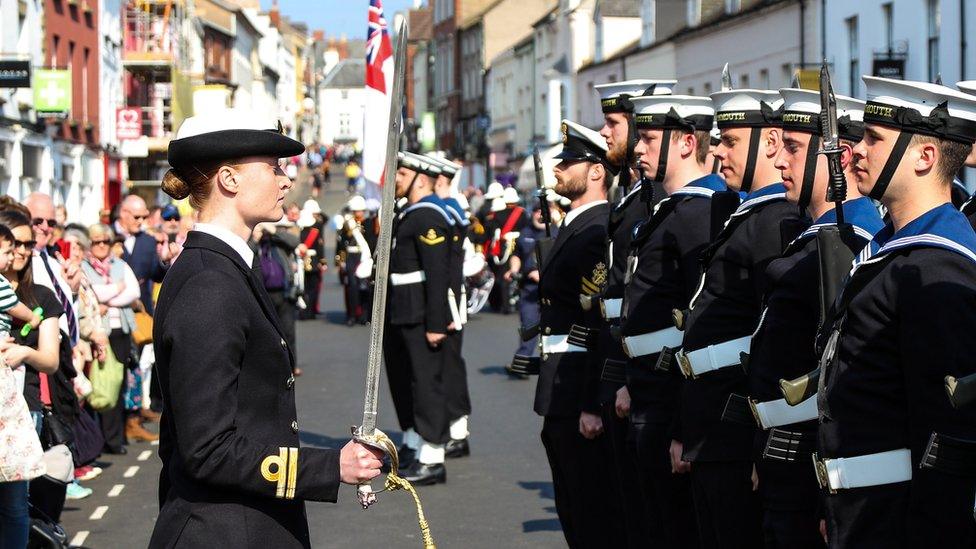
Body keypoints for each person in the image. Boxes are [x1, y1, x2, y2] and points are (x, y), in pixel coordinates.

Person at [148, 110, 383, 548]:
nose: (285, 179)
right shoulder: (209, 284)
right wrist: (332, 467)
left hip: (248, 523)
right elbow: (208, 450)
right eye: (273, 167)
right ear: (229, 180)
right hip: (222, 530)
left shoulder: (224, 269)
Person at [815, 77, 976, 548]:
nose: (856, 151)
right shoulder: (892, 254)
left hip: (898, 523)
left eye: (872, 139)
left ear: (925, 157)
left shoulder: (934, 267)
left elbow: (949, 437)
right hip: (862, 512)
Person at [739, 88, 882, 548]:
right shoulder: (811, 235)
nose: (779, 161)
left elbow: (843, 377)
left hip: (807, 464)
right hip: (780, 454)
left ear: (837, 157)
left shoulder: (853, 239)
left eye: (794, 149)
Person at [677, 86, 807, 548]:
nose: (717, 150)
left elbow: (773, 343)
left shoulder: (774, 221)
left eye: (729, 140)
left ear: (768, 144)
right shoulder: (742, 214)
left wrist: (754, 439)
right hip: (714, 423)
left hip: (735, 429)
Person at [619, 94, 724, 548]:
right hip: (648, 389)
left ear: (685, 143)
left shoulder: (701, 213)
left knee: (675, 529)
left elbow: (700, 325)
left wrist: (684, 426)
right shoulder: (672, 209)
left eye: (647, 138)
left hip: (670, 399)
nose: (637, 149)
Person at [528, 120, 622, 548]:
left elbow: (597, 324)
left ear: (598, 171)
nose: (559, 170)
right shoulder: (575, 225)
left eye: (570, 163)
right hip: (559, 380)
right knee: (572, 502)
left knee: (590, 509)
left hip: (577, 384)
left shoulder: (597, 230)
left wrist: (589, 402)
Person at [592, 78, 676, 547]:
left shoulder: (656, 198)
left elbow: (657, 301)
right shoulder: (629, 193)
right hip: (622, 360)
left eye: (614, 124)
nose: (605, 133)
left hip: (644, 373)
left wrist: (628, 375)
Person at [383, 151, 453, 485]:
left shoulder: (429, 216)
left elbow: (438, 275)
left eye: (400, 175)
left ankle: (433, 456)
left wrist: (437, 324)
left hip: (421, 313)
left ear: (419, 179)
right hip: (401, 311)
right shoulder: (407, 214)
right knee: (404, 380)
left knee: (426, 384)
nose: (394, 180)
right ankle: (413, 442)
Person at [82, 223, 157, 453]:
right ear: (90, 244)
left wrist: (107, 298)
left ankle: (119, 436)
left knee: (123, 383)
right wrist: (116, 289)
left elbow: (133, 291)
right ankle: (107, 440)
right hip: (99, 333)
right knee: (104, 385)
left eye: (106, 241)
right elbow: (93, 292)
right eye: (97, 242)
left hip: (122, 330)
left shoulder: (120, 264)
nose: (102, 246)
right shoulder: (84, 267)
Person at [425, 155, 472, 458]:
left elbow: (451, 266)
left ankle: (458, 430)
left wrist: (450, 311)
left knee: (450, 367)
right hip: (448, 298)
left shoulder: (448, 210)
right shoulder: (447, 208)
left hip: (451, 300)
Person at [114, 194, 172, 315]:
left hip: (141, 312)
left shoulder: (148, 240)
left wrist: (164, 260)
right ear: (124, 213)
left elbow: (156, 275)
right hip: (113, 313)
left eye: (144, 217)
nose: (141, 221)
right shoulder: (104, 239)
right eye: (137, 217)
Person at [484, 187, 527, 314]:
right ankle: (521, 303)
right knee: (521, 274)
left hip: (504, 248)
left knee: (504, 277)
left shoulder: (498, 214)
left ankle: (505, 305)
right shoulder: (523, 214)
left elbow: (494, 234)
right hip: (519, 246)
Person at [334, 196, 375, 325]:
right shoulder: (347, 224)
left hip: (364, 256)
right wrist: (340, 261)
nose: (359, 213)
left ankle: (364, 315)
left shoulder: (368, 223)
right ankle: (351, 315)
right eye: (356, 210)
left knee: (365, 286)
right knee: (352, 286)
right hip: (351, 256)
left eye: (361, 210)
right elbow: (341, 243)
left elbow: (371, 241)